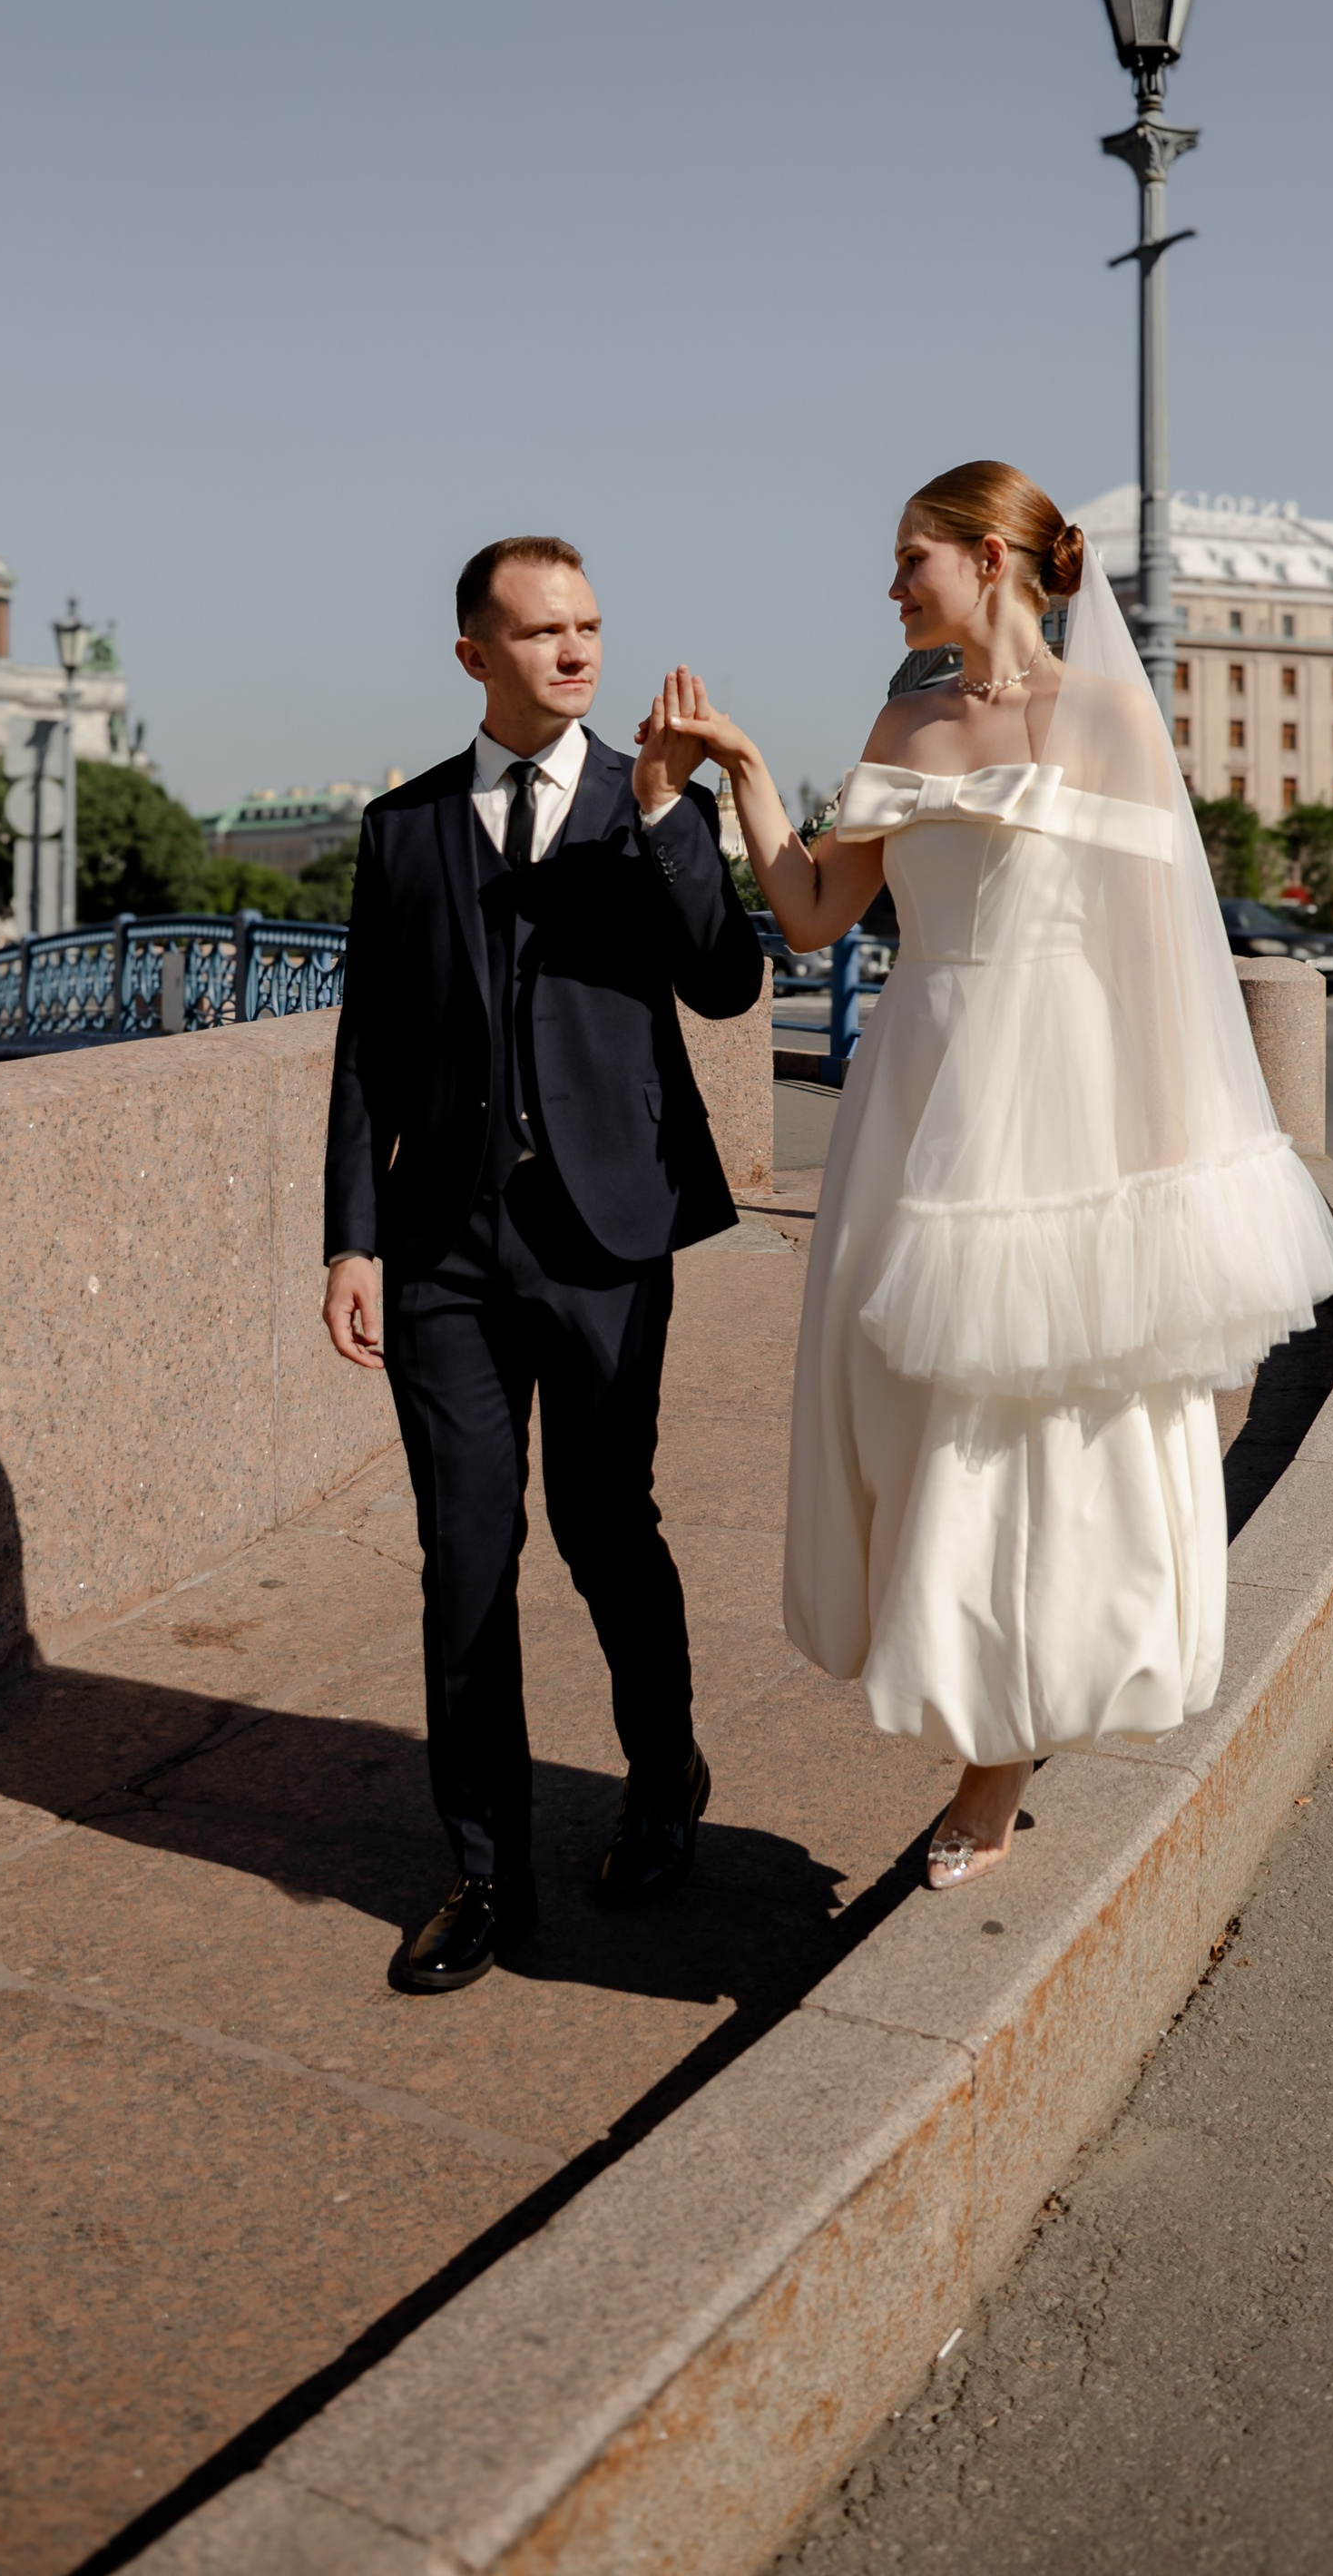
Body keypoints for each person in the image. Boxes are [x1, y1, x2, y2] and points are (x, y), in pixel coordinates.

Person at [652, 460, 1333, 1889]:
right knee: (912, 1413)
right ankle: (976, 1695)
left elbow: (1156, 956)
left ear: (989, 558)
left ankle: (998, 1761)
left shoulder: (1106, 717)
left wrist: (1166, 1172)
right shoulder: (901, 720)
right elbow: (811, 914)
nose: (891, 587)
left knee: (1042, 1421)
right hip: (918, 1089)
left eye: (909, 559)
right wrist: (740, 776)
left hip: (1064, 1101)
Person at [322, 535, 766, 1992]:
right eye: (541, 631)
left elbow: (727, 981)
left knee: (602, 1525)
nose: (576, 651)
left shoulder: (647, 804)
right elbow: (369, 1050)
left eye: (589, 626)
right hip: (442, 1247)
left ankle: (663, 1774)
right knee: (466, 1554)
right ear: (475, 655)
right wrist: (352, 1236)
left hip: (607, 1235)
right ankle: (484, 1872)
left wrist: (673, 817)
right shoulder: (401, 829)